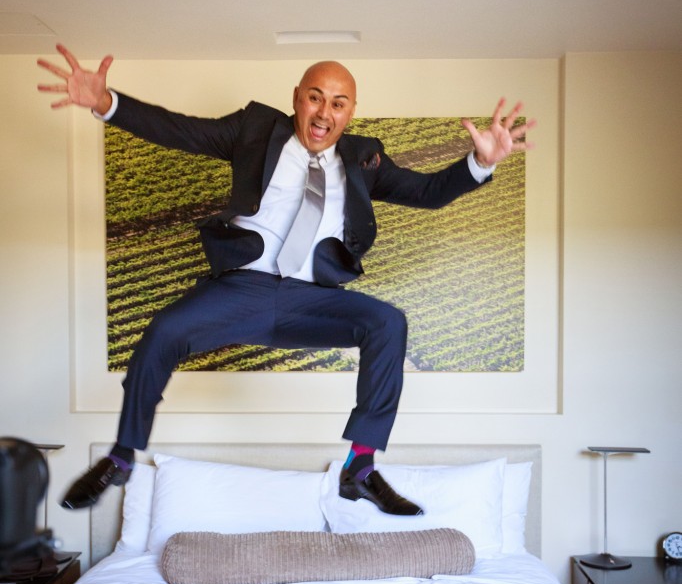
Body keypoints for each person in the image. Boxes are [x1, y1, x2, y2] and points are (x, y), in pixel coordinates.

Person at [37, 44, 534, 515]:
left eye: (338, 103)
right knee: (162, 332)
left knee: (387, 323)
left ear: (350, 113)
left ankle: (360, 467)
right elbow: (180, 130)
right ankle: (121, 458)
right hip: (240, 290)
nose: (324, 112)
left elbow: (427, 192)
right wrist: (106, 103)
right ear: (297, 99)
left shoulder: (364, 159)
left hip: (310, 299)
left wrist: (480, 163)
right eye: (315, 97)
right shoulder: (255, 130)